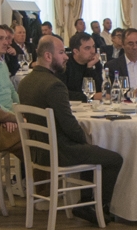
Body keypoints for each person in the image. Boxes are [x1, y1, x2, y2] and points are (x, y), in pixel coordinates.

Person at [18, 35, 124, 219]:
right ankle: (98, 208)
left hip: (37, 150)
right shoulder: (54, 85)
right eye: (61, 53)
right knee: (114, 158)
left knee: (90, 150)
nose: (66, 57)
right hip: (59, 150)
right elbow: (70, 126)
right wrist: (85, 140)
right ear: (48, 56)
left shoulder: (26, 82)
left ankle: (86, 203)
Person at [64, 33, 105, 100]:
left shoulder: (95, 62)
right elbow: (62, 92)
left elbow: (99, 90)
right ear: (76, 51)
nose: (93, 51)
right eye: (87, 48)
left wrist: (90, 68)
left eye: (93, 46)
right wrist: (91, 97)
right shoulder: (64, 64)